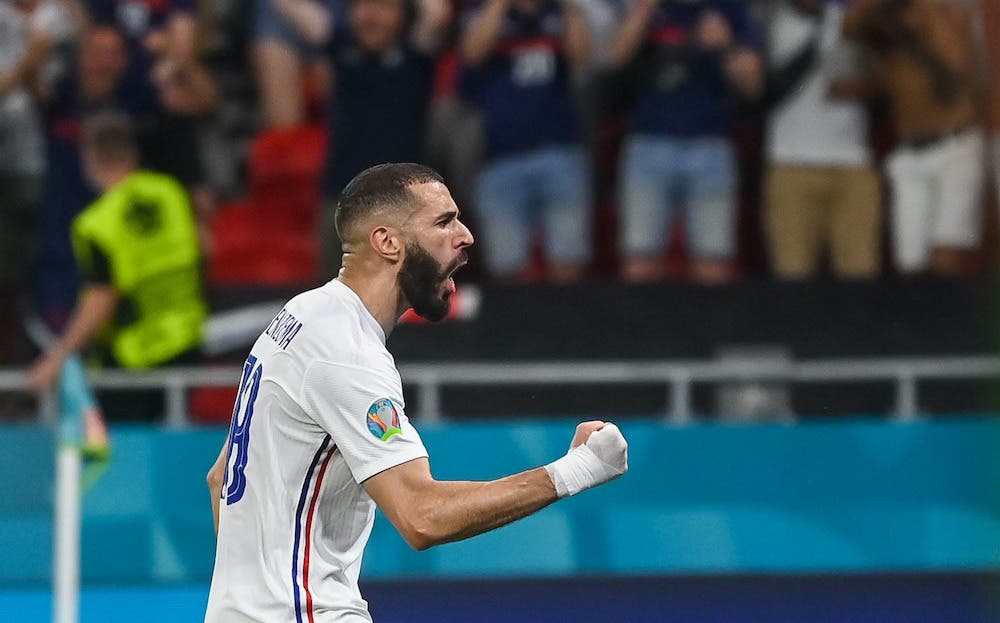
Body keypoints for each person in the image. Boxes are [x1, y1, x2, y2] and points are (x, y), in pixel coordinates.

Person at [204, 163, 628, 622]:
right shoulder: (346, 353)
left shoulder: (301, 316)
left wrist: (253, 597)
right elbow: (422, 516)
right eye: (444, 221)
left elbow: (219, 478)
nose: (466, 236)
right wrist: (577, 470)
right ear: (387, 242)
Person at [27, 112, 207, 420]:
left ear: (92, 157)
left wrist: (56, 359)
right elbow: (203, 246)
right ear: (131, 152)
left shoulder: (96, 223)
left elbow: (101, 299)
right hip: (188, 339)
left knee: (123, 452)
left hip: (136, 357)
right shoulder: (170, 191)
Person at [608, 0, 762, 283]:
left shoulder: (731, 9)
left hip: (711, 148)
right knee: (639, 263)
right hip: (648, 145)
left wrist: (726, 46)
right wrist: (644, 11)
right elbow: (616, 58)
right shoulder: (648, 9)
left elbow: (752, 86)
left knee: (713, 263)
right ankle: (635, 328)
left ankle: (715, 329)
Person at [844, 0, 986, 275]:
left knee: (946, 258)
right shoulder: (882, 21)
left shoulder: (945, 13)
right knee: (910, 264)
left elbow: (956, 65)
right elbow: (848, 28)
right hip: (909, 152)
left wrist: (921, 21)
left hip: (955, 145)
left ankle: (948, 317)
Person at [458, 0, 594, 282]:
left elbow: (583, 58)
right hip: (500, 157)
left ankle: (570, 326)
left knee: (568, 262)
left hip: (561, 151)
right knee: (507, 267)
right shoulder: (479, 12)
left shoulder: (560, 12)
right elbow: (472, 54)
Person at [320, 0, 452, 276]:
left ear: (403, 15)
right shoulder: (342, 48)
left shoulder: (414, 53)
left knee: (406, 291)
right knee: (335, 289)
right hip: (342, 197)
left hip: (403, 201)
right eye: (363, 6)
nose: (371, 15)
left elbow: (437, 12)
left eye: (384, 7)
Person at [762, 0, 881, 279]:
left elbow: (885, 81)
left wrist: (858, 87)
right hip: (790, 166)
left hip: (853, 166)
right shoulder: (769, 20)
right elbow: (764, 92)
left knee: (860, 279)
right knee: (792, 282)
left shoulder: (853, 22)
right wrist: (816, 42)